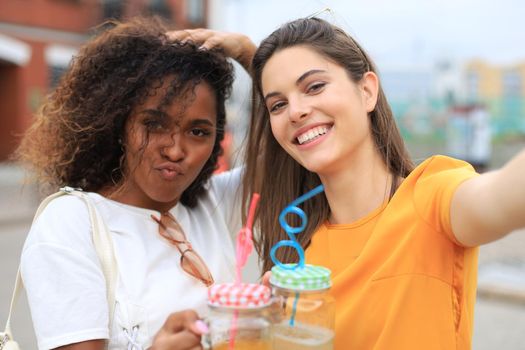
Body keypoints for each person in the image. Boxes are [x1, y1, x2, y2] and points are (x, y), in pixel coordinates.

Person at [184, 17, 525, 349]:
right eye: (278, 104)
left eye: (314, 86)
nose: (296, 111)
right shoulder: (299, 260)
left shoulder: (432, 200)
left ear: (367, 91)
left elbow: (502, 197)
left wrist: (248, 51)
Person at [14, 17, 254, 350]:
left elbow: (291, 148)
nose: (175, 149)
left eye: (198, 132)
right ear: (117, 123)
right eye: (154, 124)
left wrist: (250, 56)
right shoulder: (71, 223)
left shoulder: (214, 202)